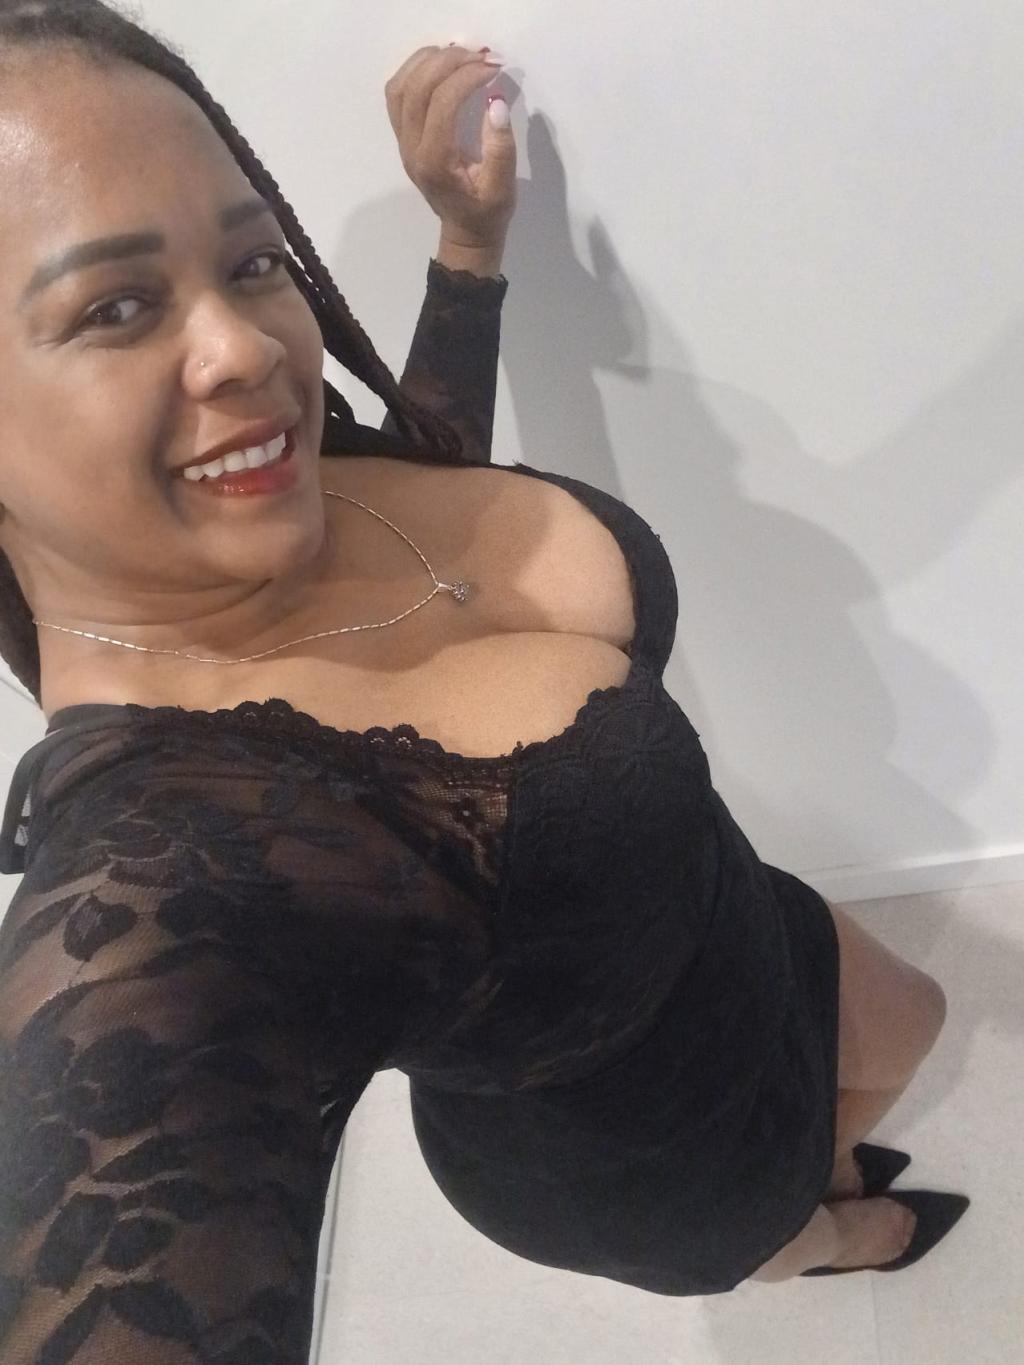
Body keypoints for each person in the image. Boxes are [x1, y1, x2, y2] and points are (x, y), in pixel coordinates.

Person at [0, 5, 967, 1362]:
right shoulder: (160, 875)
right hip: (639, 1161)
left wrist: (468, 246)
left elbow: (434, 476)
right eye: (113, 306)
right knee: (786, 1218)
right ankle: (810, 1247)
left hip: (736, 922)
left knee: (916, 1020)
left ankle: (816, 1183)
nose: (249, 350)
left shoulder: (285, 473)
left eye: (253, 261)